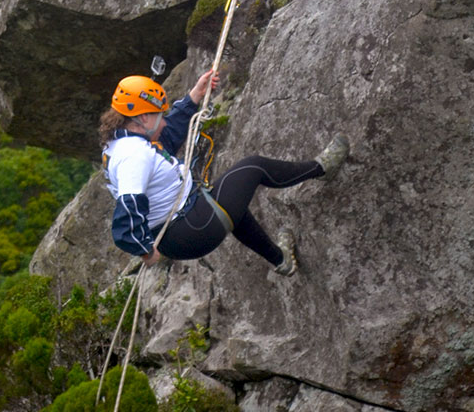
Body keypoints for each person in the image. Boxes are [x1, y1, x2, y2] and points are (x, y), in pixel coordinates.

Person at [98, 68, 351, 275]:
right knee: (254, 167)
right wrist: (143, 250)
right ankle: (321, 168)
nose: (163, 120)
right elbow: (127, 212)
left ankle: (281, 260)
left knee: (233, 207)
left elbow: (166, 137)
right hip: (190, 229)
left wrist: (194, 97)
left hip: (185, 227)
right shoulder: (134, 155)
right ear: (142, 118)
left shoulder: (123, 144)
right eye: (158, 114)